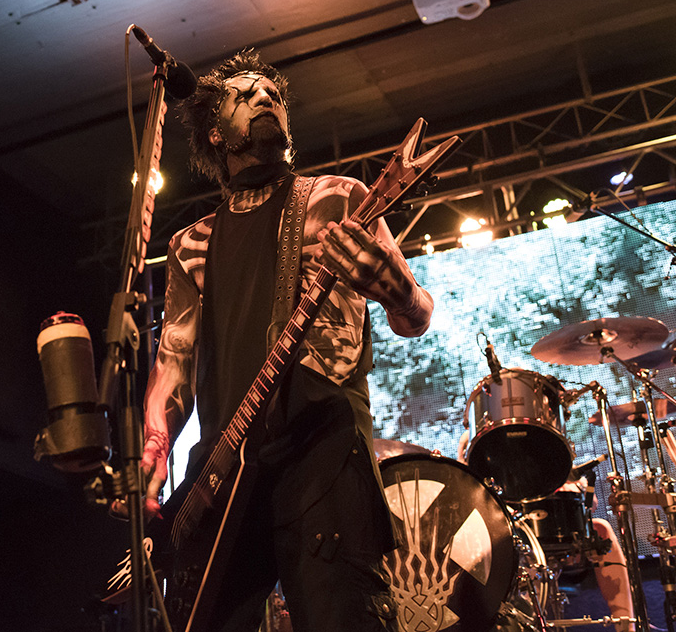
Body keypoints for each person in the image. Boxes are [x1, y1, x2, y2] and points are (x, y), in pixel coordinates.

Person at [134, 50, 433, 632]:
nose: (264, 98)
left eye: (271, 93)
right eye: (244, 95)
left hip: (323, 453)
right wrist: (153, 448)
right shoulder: (190, 245)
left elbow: (416, 315)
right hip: (225, 469)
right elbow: (173, 362)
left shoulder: (339, 198)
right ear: (216, 133)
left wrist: (394, 288)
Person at [457, 431, 635, 632]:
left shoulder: (547, 438)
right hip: (502, 526)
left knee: (600, 528)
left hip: (549, 524)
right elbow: (468, 490)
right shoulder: (476, 437)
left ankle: (626, 625)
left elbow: (590, 505)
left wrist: (575, 488)